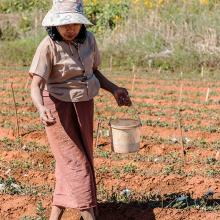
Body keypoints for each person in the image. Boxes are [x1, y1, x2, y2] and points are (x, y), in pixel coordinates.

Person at [29, 0, 132, 220]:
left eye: (74, 23)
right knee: (77, 162)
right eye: (64, 24)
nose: (69, 28)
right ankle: (88, 214)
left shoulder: (89, 41)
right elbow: (35, 85)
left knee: (77, 159)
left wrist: (114, 89)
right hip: (57, 108)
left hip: (84, 104)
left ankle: (55, 214)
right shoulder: (48, 46)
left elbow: (94, 72)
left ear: (81, 23)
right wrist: (40, 108)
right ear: (54, 25)